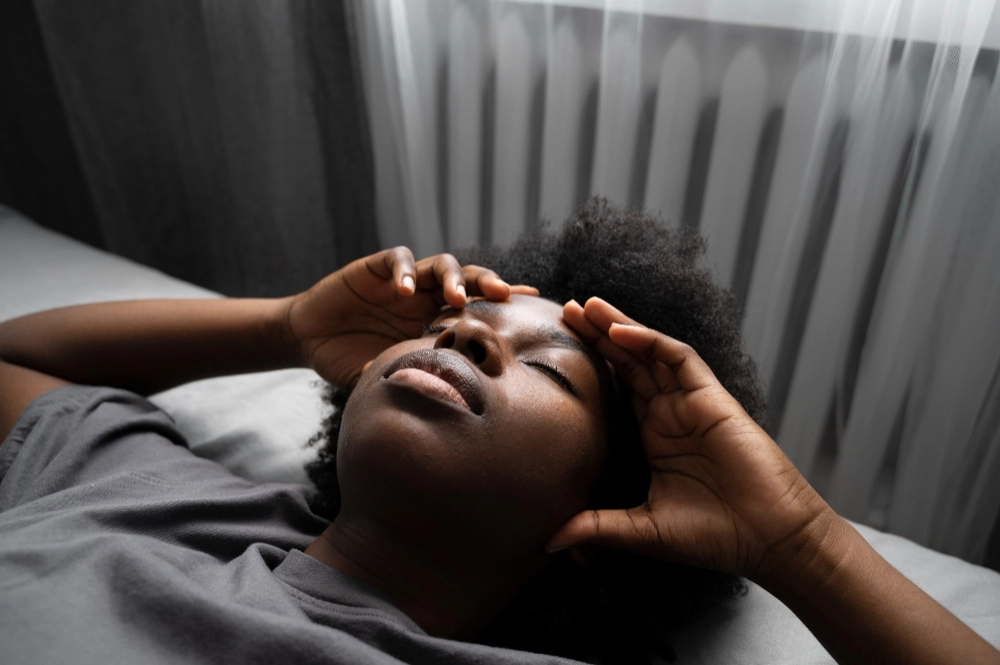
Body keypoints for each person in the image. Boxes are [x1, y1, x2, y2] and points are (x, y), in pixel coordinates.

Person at [0, 199, 996, 665]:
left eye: (550, 370)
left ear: (613, 497)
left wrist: (799, 543)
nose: (469, 333)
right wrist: (283, 325)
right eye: (448, 326)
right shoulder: (155, 492)